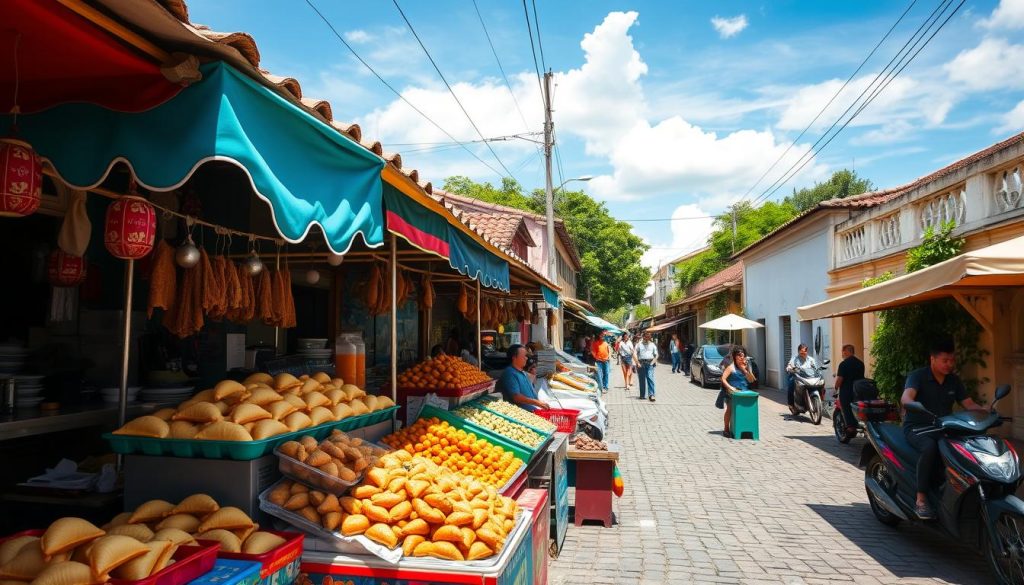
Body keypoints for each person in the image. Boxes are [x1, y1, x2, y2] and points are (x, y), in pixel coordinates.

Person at [901, 338, 984, 519]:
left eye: (952, 360)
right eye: (945, 361)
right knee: (929, 448)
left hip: (943, 427)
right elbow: (907, 397)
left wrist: (988, 412)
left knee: (963, 448)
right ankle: (921, 499)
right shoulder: (918, 376)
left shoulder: (953, 380)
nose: (949, 365)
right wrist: (910, 404)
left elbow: (969, 404)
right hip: (918, 427)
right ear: (933, 359)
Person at [720, 345, 756, 438]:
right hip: (732, 392)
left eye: (743, 355)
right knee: (730, 408)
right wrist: (730, 387)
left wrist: (745, 369)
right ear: (734, 356)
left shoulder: (745, 367)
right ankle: (726, 429)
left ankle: (743, 426)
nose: (741, 357)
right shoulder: (731, 367)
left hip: (743, 391)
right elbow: (723, 379)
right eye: (739, 355)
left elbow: (752, 380)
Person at [498, 344, 547, 411]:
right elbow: (516, 397)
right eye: (524, 356)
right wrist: (536, 402)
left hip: (535, 410)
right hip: (523, 414)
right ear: (514, 357)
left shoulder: (523, 372)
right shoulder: (510, 373)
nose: (526, 358)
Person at [834, 344, 865, 435]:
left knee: (846, 408)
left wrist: (835, 387)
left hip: (846, 391)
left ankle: (851, 427)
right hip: (859, 391)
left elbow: (840, 379)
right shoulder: (860, 363)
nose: (842, 354)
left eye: (842, 352)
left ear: (846, 351)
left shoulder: (843, 364)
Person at [786, 343, 818, 413]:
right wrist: (789, 368)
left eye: (805, 352)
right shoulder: (794, 359)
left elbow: (816, 368)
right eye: (801, 352)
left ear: (807, 352)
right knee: (791, 384)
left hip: (809, 378)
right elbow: (789, 365)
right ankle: (791, 404)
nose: (803, 354)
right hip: (797, 376)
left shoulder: (811, 360)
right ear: (798, 352)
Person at [635, 331, 659, 401]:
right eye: (646, 337)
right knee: (642, 380)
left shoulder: (652, 345)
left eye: (649, 337)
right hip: (641, 363)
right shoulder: (639, 344)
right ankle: (642, 395)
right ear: (643, 337)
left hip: (650, 363)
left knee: (650, 378)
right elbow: (634, 353)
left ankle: (651, 395)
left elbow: (656, 355)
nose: (647, 338)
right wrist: (637, 362)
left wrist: (653, 362)